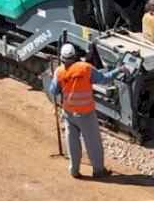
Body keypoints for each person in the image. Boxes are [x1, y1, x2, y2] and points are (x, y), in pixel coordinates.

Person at [46, 44, 119, 179]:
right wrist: (119, 70)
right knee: (93, 143)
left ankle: (74, 170)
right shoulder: (85, 68)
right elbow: (104, 79)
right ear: (75, 56)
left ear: (62, 58)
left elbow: (53, 91)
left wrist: (53, 77)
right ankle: (98, 171)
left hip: (69, 113)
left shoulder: (59, 71)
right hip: (86, 114)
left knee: (72, 141)